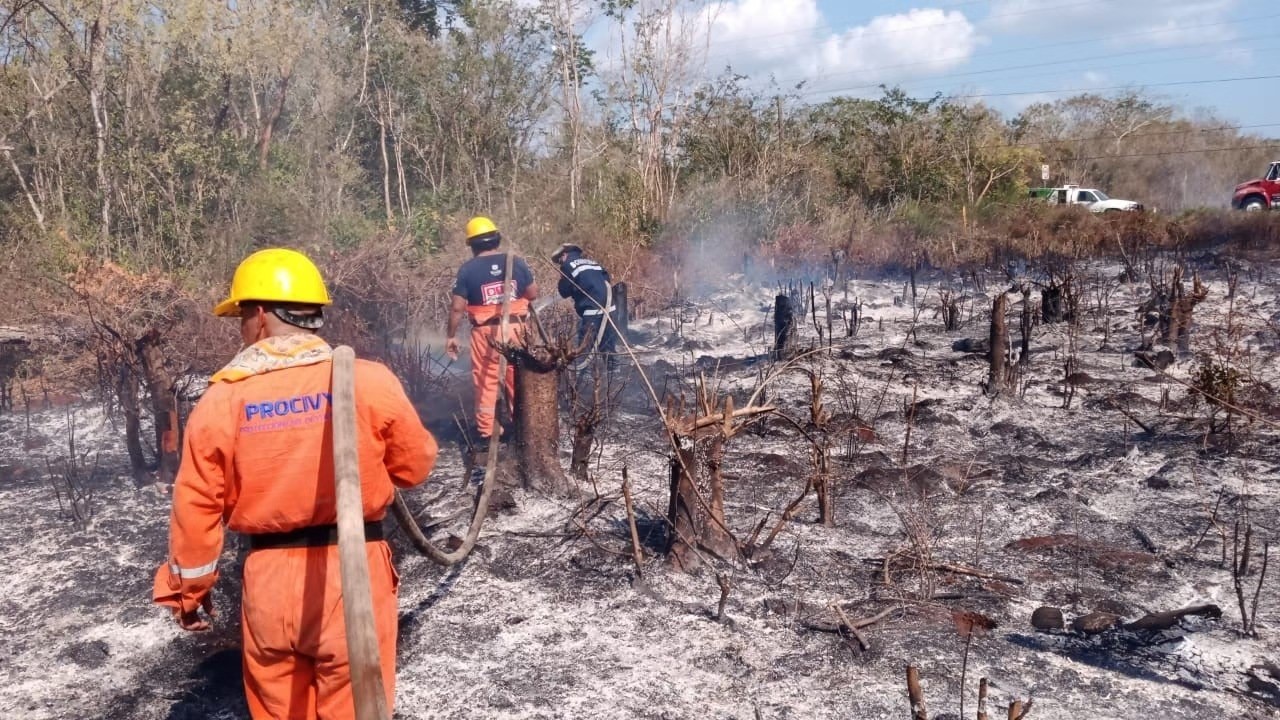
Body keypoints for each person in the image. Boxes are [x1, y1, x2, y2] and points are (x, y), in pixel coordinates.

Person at [153, 247, 438, 719]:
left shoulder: (223, 400)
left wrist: (189, 593)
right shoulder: (367, 381)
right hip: (354, 577)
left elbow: (197, 505)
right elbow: (415, 467)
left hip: (268, 583)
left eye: (241, 316)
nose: (241, 329)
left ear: (261, 315)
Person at [445, 216, 538, 441]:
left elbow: (458, 308)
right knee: (518, 379)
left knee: (486, 381)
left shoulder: (468, 270)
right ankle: (522, 428)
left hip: (485, 335)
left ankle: (487, 433)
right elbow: (533, 294)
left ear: (472, 245)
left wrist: (451, 336)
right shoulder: (515, 262)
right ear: (496, 239)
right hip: (517, 331)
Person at [551, 243, 617, 367]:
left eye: (559, 260)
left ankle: (583, 380)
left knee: (584, 349)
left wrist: (563, 281)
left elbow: (564, 291)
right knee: (609, 350)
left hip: (592, 311)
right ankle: (614, 377)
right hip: (610, 309)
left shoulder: (567, 265)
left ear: (564, 255)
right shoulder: (592, 263)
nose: (560, 264)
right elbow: (606, 279)